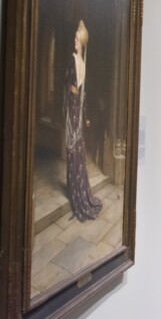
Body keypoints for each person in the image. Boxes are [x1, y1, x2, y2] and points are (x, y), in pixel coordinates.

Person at [65, 20, 103, 222]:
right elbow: (83, 92)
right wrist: (85, 115)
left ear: (80, 41)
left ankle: (75, 191)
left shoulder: (73, 60)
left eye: (76, 38)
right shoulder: (83, 63)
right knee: (76, 145)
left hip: (72, 105)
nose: (74, 41)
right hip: (77, 107)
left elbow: (69, 82)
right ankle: (79, 190)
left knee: (72, 146)